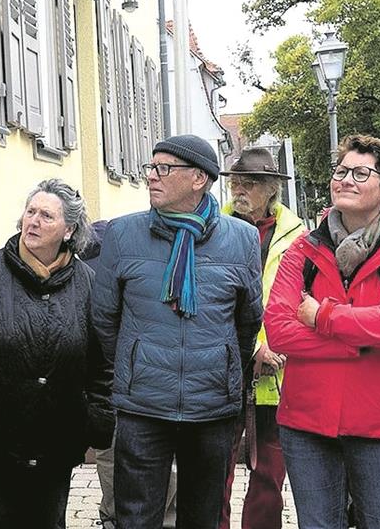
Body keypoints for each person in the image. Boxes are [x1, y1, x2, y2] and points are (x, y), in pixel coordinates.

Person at [92, 134, 263, 529]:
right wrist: (135, 362)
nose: (152, 177)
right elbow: (104, 318)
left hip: (211, 407)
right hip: (142, 406)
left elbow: (247, 320)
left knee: (202, 517)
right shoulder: (123, 234)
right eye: (151, 168)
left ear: (199, 178)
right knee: (135, 517)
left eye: (163, 169)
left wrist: (221, 366)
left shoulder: (240, 239)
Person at [0, 179, 114, 528]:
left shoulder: (89, 285)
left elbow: (102, 361)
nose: (33, 221)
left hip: (58, 439)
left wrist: (93, 418)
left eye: (46, 215)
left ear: (69, 230)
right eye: (30, 211)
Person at [264, 134, 380, 528]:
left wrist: (321, 316)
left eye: (361, 173)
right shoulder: (302, 249)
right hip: (307, 423)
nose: (345, 180)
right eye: (341, 171)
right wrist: (360, 343)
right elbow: (279, 331)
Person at [216, 148, 305, 529]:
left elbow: (302, 300)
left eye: (249, 183)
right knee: (215, 471)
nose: (239, 189)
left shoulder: (298, 236)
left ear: (271, 189)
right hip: (221, 367)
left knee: (270, 473)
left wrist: (275, 346)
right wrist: (251, 347)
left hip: (277, 372)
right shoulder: (211, 227)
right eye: (235, 181)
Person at [83, 220, 178, 529]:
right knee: (132, 452)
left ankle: (116, 519)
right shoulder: (140, 250)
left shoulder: (91, 258)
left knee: (115, 452)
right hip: (135, 372)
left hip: (123, 371)